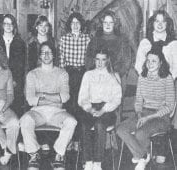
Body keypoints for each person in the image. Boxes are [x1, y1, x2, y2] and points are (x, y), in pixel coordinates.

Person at [20, 42, 77, 169]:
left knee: (71, 121)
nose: (46, 55)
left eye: (49, 52)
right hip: (37, 112)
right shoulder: (32, 74)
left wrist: (42, 95)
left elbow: (65, 97)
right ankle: (34, 154)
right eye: (43, 52)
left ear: (54, 55)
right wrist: (54, 98)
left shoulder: (62, 73)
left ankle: (59, 154)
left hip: (57, 112)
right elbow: (30, 100)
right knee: (25, 120)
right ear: (39, 56)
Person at [117, 49, 175, 170]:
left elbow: (169, 106)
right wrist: (139, 114)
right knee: (121, 129)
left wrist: (148, 117)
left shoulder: (167, 78)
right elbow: (138, 100)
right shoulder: (142, 77)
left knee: (140, 133)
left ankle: (140, 158)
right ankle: (143, 155)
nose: (150, 63)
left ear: (161, 63)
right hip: (143, 113)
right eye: (148, 60)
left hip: (161, 117)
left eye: (154, 61)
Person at [78, 48, 122, 170]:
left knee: (99, 124)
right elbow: (82, 97)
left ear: (108, 61)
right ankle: (88, 161)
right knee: (85, 124)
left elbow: (117, 99)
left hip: (107, 110)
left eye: (103, 59)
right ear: (94, 60)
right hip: (91, 107)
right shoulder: (88, 74)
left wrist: (103, 110)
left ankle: (97, 162)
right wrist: (90, 109)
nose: (100, 62)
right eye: (97, 59)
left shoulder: (113, 76)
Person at [58, 12, 91, 148]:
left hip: (82, 74)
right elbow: (61, 61)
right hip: (69, 74)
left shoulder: (87, 38)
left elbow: (89, 59)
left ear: (81, 25)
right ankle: (68, 140)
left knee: (80, 106)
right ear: (69, 25)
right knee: (69, 106)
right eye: (73, 23)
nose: (75, 25)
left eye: (78, 23)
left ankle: (78, 140)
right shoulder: (64, 39)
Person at [85, 10, 132, 94]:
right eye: (105, 22)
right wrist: (98, 73)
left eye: (110, 22)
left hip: (117, 77)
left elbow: (126, 61)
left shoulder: (122, 40)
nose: (108, 25)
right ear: (101, 24)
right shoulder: (95, 40)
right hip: (98, 78)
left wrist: (114, 74)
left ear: (115, 24)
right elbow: (88, 60)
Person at [0, 14, 26, 117]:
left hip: (16, 83)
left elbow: (22, 65)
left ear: (14, 26)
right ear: (2, 25)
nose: (8, 26)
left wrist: (14, 80)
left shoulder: (20, 43)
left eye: (11, 24)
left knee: (16, 111)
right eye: (6, 23)